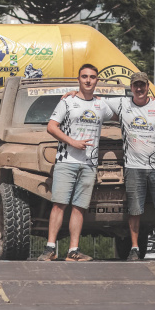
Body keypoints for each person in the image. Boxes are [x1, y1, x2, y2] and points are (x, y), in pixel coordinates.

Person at [102, 72, 155, 260]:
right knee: (135, 209)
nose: (139, 88)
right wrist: (73, 94)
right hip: (133, 166)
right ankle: (134, 248)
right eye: (135, 85)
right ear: (131, 88)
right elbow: (95, 99)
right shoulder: (123, 103)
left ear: (148, 86)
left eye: (142, 85)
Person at [37, 64, 116, 262]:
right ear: (78, 79)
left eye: (92, 77)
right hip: (67, 161)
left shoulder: (101, 105)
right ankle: (50, 249)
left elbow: (125, 109)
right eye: (84, 77)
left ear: (97, 80)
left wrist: (149, 102)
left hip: (89, 164)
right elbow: (51, 126)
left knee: (79, 207)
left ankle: (73, 250)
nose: (88, 80)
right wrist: (72, 142)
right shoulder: (67, 101)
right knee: (59, 205)